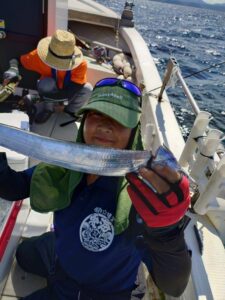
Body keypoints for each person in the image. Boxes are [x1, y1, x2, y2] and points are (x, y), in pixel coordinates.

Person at [0, 78, 191, 300]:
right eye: (95, 115)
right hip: (62, 264)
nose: (103, 126)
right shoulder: (64, 168)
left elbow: (174, 285)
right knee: (23, 254)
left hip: (103, 292)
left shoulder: (142, 196)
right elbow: (14, 188)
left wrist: (166, 231)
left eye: (118, 120)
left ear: (134, 133)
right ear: (84, 122)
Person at [3, 29, 92, 123]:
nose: (58, 64)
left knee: (87, 89)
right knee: (46, 83)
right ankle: (48, 110)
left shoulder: (81, 64)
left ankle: (70, 113)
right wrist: (13, 69)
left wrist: (38, 98)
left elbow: (69, 93)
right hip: (50, 88)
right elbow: (16, 60)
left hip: (67, 92)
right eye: (56, 61)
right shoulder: (39, 56)